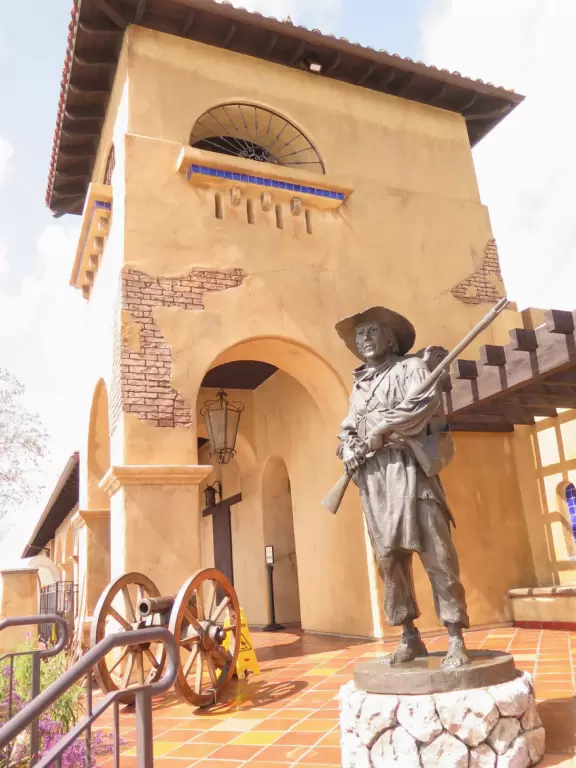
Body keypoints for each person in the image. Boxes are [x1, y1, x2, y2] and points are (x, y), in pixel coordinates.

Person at [336, 306, 470, 668]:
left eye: (372, 331)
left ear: (391, 339)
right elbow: (347, 428)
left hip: (411, 469)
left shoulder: (411, 368)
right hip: (375, 479)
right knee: (388, 560)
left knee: (437, 553)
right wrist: (349, 447)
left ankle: (455, 636)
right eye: (359, 334)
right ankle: (409, 635)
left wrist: (383, 427)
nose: (364, 339)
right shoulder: (359, 387)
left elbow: (422, 404)